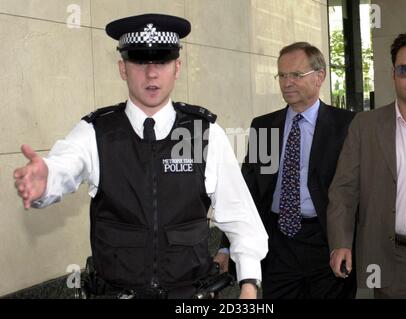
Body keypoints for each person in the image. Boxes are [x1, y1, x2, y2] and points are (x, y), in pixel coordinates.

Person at [13, 13, 268, 299]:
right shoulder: (95, 132)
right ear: (123, 68)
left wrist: (249, 283)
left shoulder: (205, 133)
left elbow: (240, 217)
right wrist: (46, 179)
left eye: (162, 60)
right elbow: (66, 164)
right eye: (139, 61)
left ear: (177, 67)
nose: (151, 73)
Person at [216, 42, 356, 298]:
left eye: (296, 75)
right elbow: (248, 191)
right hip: (277, 245)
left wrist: (347, 243)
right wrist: (226, 247)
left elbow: (357, 191)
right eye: (281, 75)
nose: (287, 82)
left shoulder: (347, 125)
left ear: (320, 76)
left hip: (326, 242)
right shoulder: (264, 127)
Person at [328, 30, 406, 298]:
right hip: (385, 254)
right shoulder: (365, 125)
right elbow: (344, 189)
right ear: (393, 74)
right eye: (405, 69)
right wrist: (340, 243)